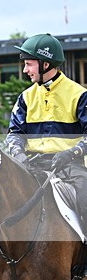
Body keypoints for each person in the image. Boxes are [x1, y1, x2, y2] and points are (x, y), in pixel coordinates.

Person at [6, 33, 87, 223]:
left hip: (69, 167)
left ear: (45, 63)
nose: (25, 70)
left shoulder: (79, 95)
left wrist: (72, 152)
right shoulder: (25, 97)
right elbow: (14, 134)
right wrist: (18, 154)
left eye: (29, 64)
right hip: (32, 165)